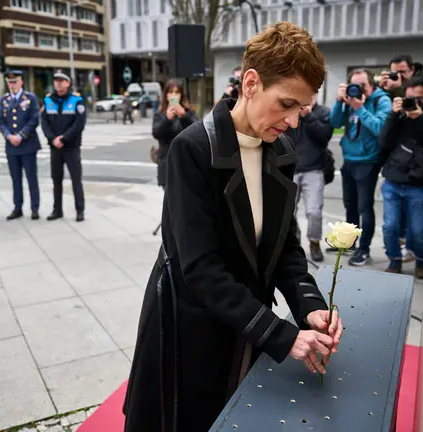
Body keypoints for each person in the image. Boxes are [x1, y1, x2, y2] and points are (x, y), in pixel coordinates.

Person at [123, 22, 343, 432]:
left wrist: (310, 306)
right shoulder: (192, 149)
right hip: (190, 332)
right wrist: (281, 335)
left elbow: (285, 249)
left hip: (248, 327)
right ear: (251, 82)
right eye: (286, 104)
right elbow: (201, 269)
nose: (294, 122)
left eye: (302, 109)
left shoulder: (281, 150)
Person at [329, 68, 392, 266]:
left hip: (368, 161)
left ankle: (364, 249)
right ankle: (350, 243)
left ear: (371, 84)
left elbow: (381, 129)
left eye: (362, 85)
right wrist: (340, 102)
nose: (357, 89)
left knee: (364, 206)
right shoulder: (348, 100)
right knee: (350, 204)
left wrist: (360, 108)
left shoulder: (381, 101)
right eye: (353, 85)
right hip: (349, 159)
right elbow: (334, 122)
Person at [378, 77, 423, 279]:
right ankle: (394, 260)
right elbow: (383, 142)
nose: (413, 102)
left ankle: (421, 261)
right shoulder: (399, 118)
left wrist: (420, 117)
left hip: (418, 185)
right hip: (393, 182)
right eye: (409, 98)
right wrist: (393, 115)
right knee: (390, 226)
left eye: (418, 98)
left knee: (418, 230)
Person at [286, 94, 334, 262]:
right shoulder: (289, 110)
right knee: (287, 212)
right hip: (290, 168)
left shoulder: (323, 112)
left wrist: (309, 116)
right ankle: (294, 239)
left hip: (313, 169)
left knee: (314, 212)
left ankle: (314, 242)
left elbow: (324, 137)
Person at [41, 69, 87, 222]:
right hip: (55, 148)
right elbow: (44, 123)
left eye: (62, 81)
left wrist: (64, 138)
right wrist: (53, 139)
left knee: (76, 179)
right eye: (56, 81)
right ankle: (57, 210)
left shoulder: (76, 101)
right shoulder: (48, 101)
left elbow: (79, 124)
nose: (58, 84)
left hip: (71, 147)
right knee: (56, 180)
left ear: (68, 83)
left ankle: (79, 210)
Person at [0, 69, 41, 220]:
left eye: (15, 81)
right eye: (9, 82)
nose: (12, 85)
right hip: (11, 147)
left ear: (21, 81)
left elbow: (35, 119)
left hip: (28, 145)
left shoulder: (30, 98)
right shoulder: (4, 100)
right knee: (15, 179)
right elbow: (1, 121)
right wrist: (8, 135)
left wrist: (21, 135)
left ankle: (35, 208)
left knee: (31, 178)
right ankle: (18, 207)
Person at [152, 79, 198, 188]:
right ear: (166, 95)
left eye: (177, 92)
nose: (173, 95)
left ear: (181, 95)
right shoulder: (160, 114)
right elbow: (156, 133)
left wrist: (184, 116)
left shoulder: (188, 112)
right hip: (167, 162)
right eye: (170, 92)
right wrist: (167, 119)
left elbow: (197, 131)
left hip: (185, 163)